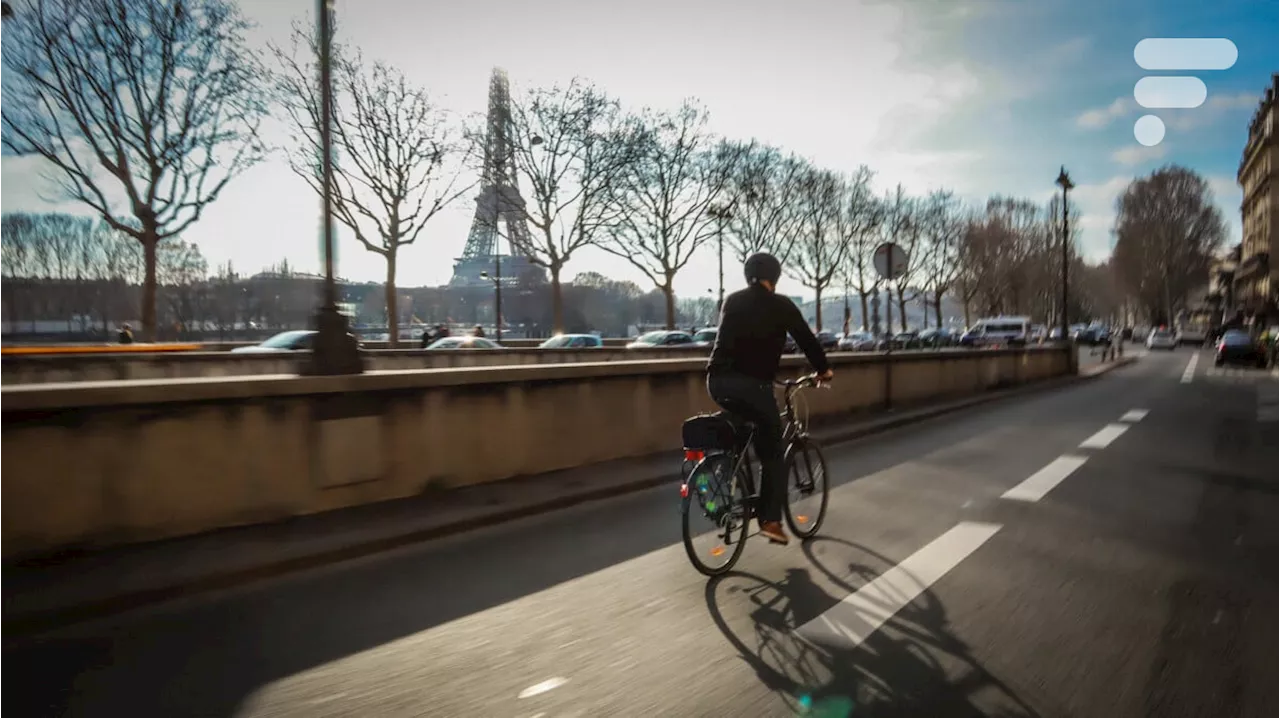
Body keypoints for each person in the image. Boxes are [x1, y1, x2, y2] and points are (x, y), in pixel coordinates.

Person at [707, 253, 833, 545]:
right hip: (753, 386)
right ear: (773, 279)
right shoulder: (781, 305)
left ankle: (730, 473)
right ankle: (770, 520)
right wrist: (823, 370)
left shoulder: (732, 300)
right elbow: (806, 339)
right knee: (773, 450)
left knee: (741, 425)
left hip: (716, 381)